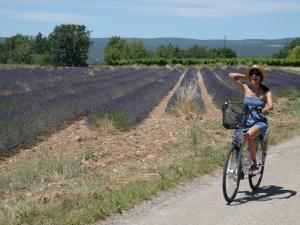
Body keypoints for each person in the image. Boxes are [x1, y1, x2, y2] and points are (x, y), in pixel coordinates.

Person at [228, 65, 273, 171]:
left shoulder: (266, 91)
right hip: (244, 121)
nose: (254, 75)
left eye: (257, 74)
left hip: (259, 122)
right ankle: (239, 168)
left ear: (261, 77)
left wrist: (265, 109)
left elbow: (271, 105)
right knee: (237, 142)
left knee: (249, 135)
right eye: (252, 73)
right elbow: (231, 76)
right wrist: (247, 76)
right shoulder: (246, 87)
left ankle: (254, 162)